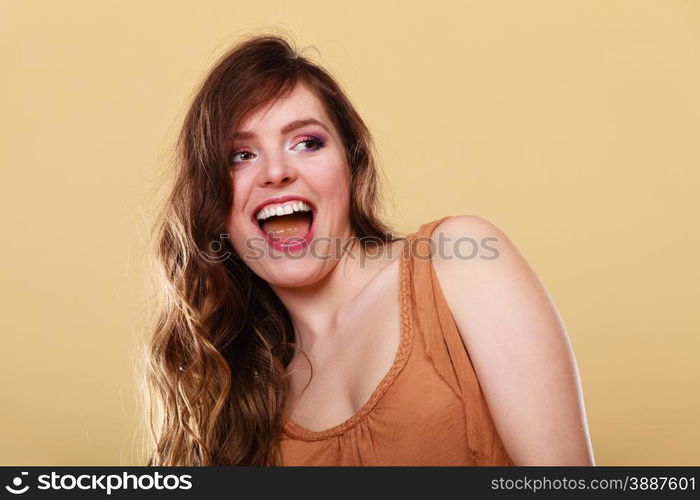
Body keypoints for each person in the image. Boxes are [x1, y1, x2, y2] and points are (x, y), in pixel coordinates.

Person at [144, 32, 595, 466]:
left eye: (306, 142)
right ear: (214, 203)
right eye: (240, 155)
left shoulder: (459, 260)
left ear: (352, 166)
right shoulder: (236, 397)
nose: (276, 171)